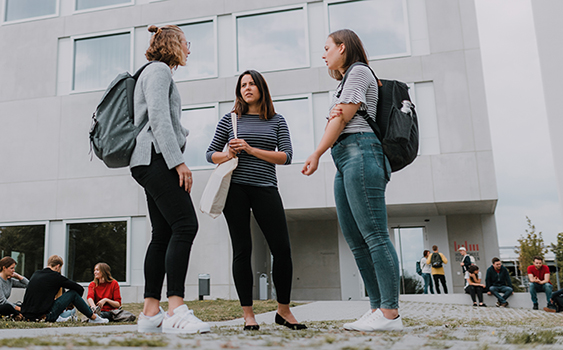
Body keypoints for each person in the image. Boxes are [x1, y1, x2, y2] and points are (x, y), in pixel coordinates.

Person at [301, 29, 401, 332]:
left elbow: (341, 117)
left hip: (362, 152)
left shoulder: (358, 72)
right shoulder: (345, 82)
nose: (323, 54)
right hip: (345, 157)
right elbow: (339, 117)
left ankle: (390, 313)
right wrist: (333, 126)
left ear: (342, 48)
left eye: (327, 48)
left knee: (374, 235)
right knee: (356, 241)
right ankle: (376, 308)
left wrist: (317, 151)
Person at [206, 70, 304, 331]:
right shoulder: (230, 120)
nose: (247, 88)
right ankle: (248, 315)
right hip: (235, 189)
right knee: (242, 249)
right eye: (242, 85)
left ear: (261, 87)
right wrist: (227, 153)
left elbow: (286, 156)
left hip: (266, 188)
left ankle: (283, 311)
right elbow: (210, 154)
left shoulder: (276, 120)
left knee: (281, 249)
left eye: (251, 84)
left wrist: (250, 149)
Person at [129, 24, 210, 334]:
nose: (189, 49)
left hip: (146, 160)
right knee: (186, 225)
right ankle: (176, 309)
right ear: (175, 44)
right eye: (187, 43)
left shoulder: (152, 72)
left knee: (162, 233)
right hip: (156, 159)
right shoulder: (159, 71)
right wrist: (179, 163)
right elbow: (159, 119)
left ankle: (151, 314)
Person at [20, 255, 108, 324]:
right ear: (58, 266)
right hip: (45, 316)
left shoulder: (36, 274)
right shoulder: (55, 276)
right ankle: (94, 318)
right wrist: (71, 303)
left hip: (27, 315)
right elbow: (79, 289)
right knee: (73, 293)